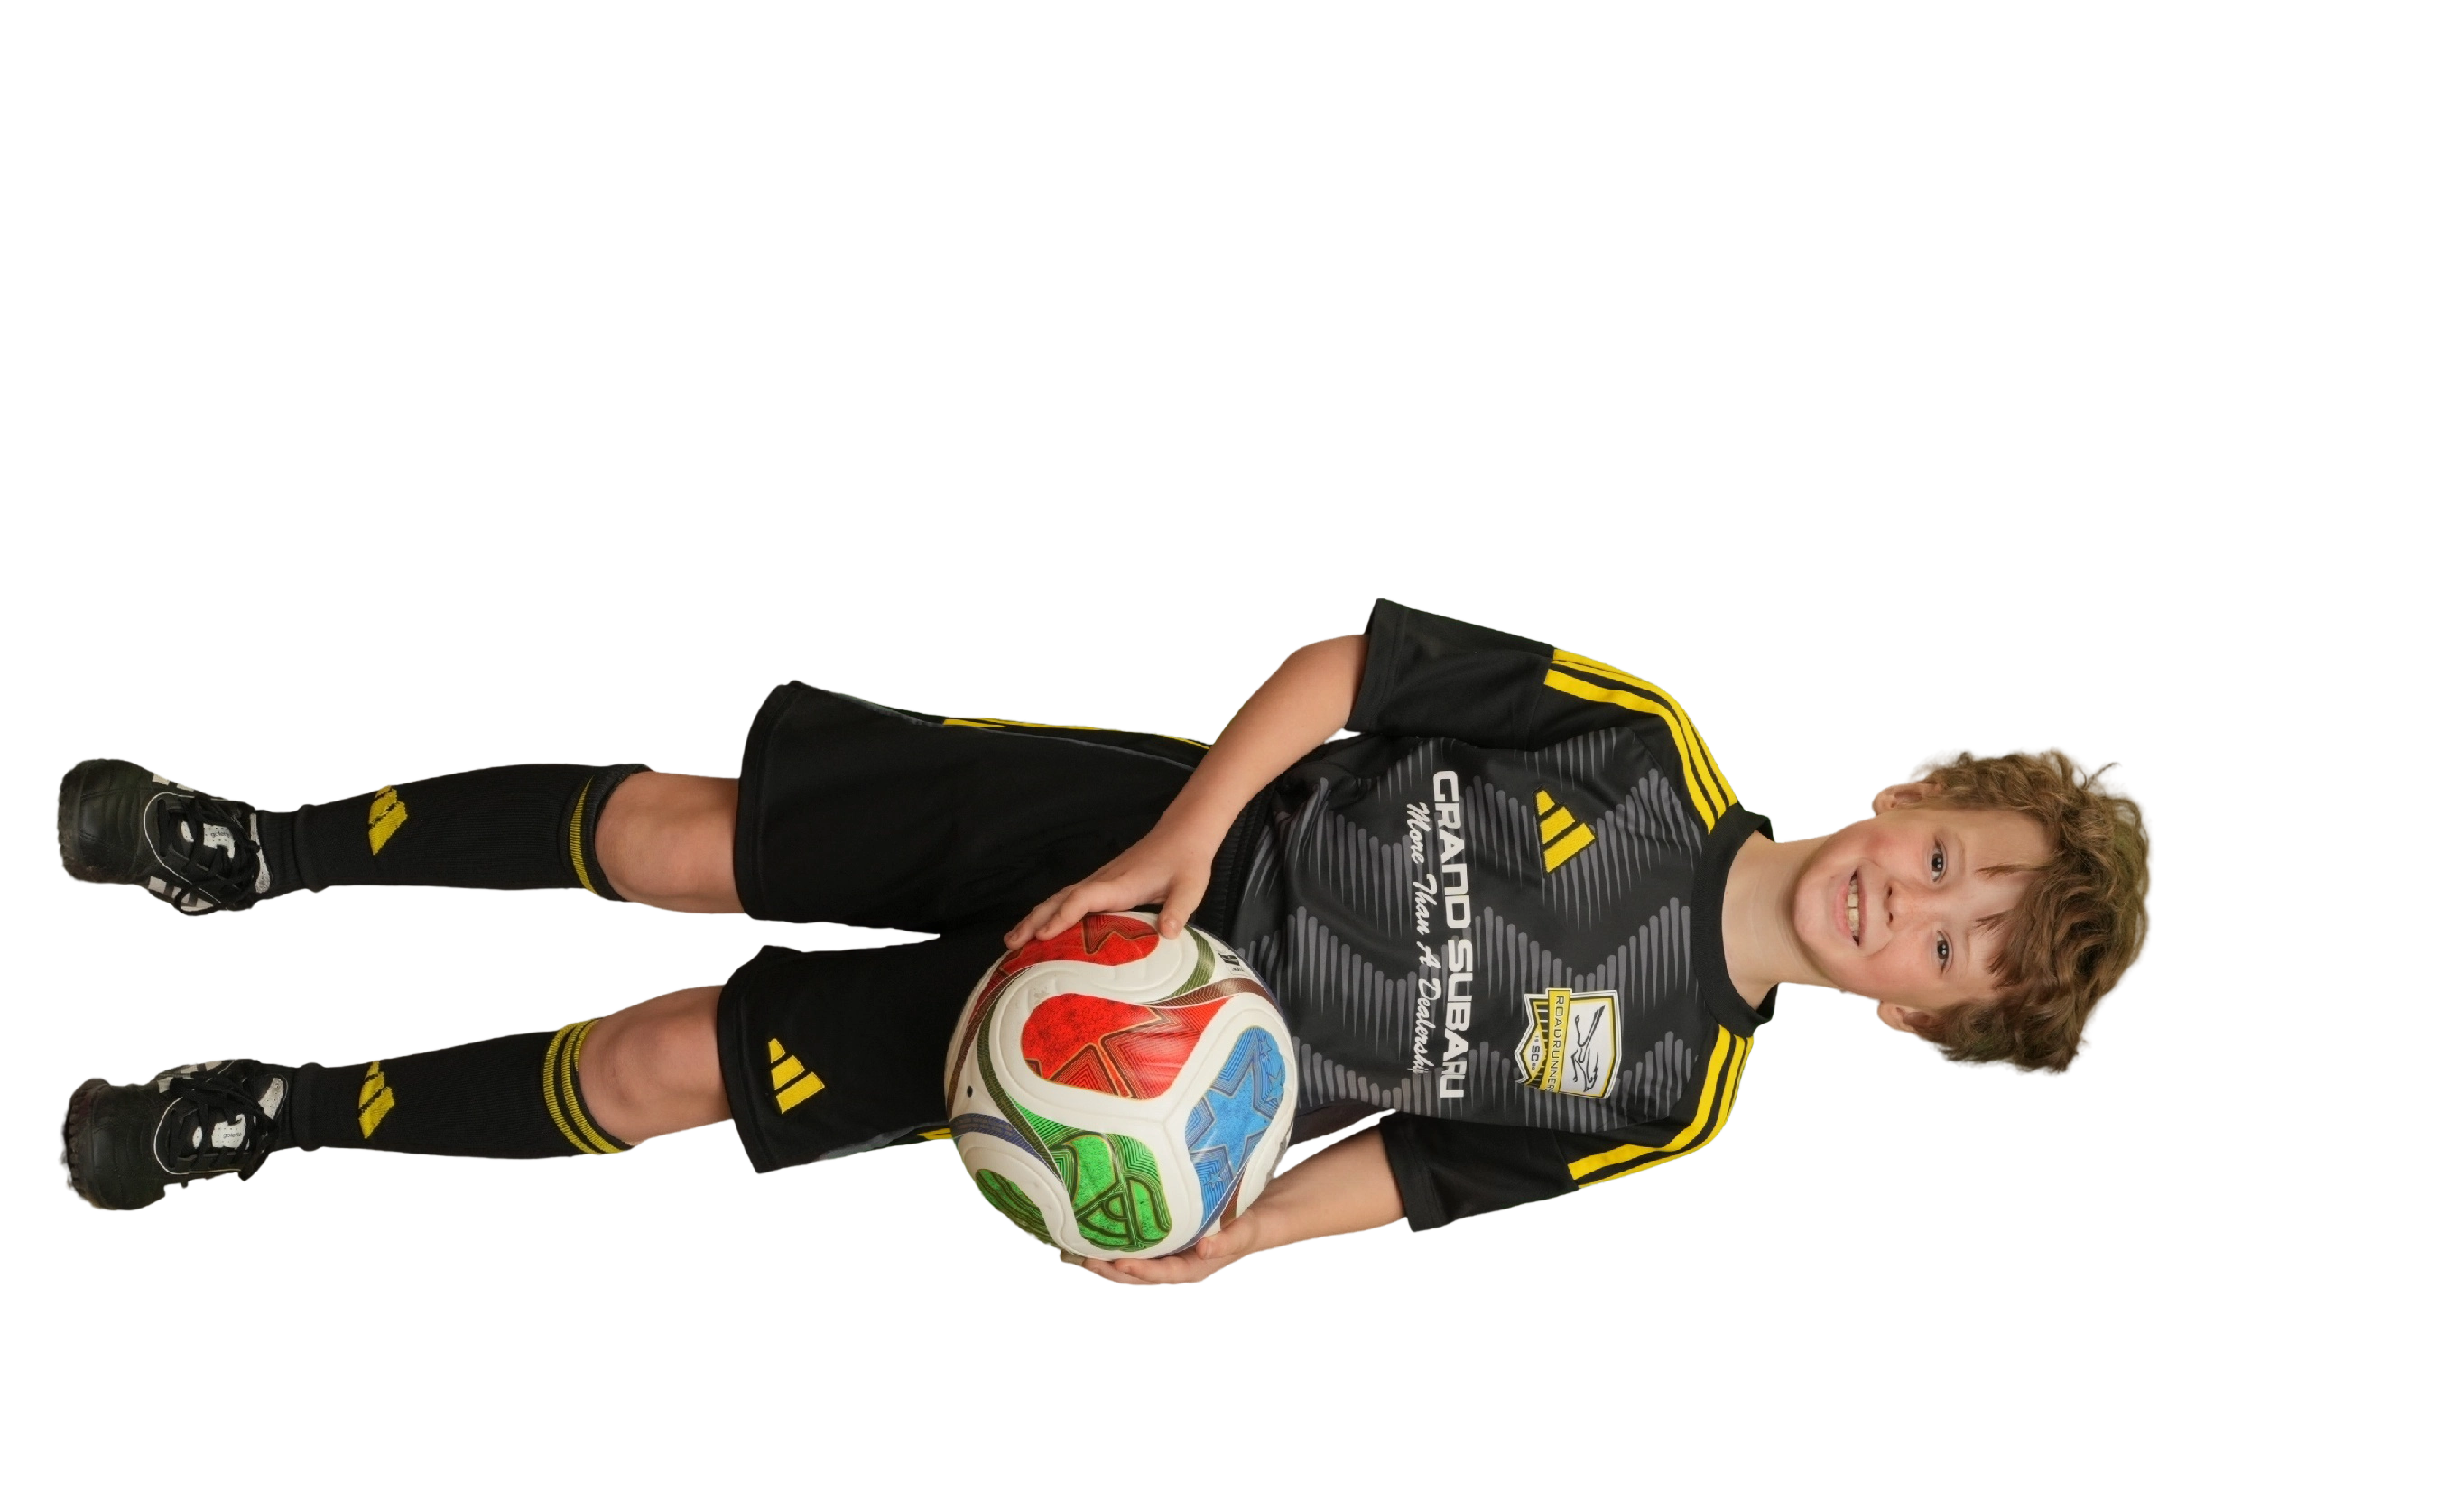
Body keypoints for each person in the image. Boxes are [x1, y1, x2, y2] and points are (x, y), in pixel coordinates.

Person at [48, 597, 2155, 1284]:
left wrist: (1229, 1238)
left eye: (1954, 952)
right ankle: (257, 848)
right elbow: (1356, 671)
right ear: (1922, 788)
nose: (1917, 906)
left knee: (658, 1073)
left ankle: (272, 1115)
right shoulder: (1644, 749)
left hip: (1105, 1064)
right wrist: (1180, 837)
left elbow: (1420, 1172)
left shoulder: (1666, 1096)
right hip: (1119, 845)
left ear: (1925, 1025)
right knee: (690, 839)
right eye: (1951, 857)